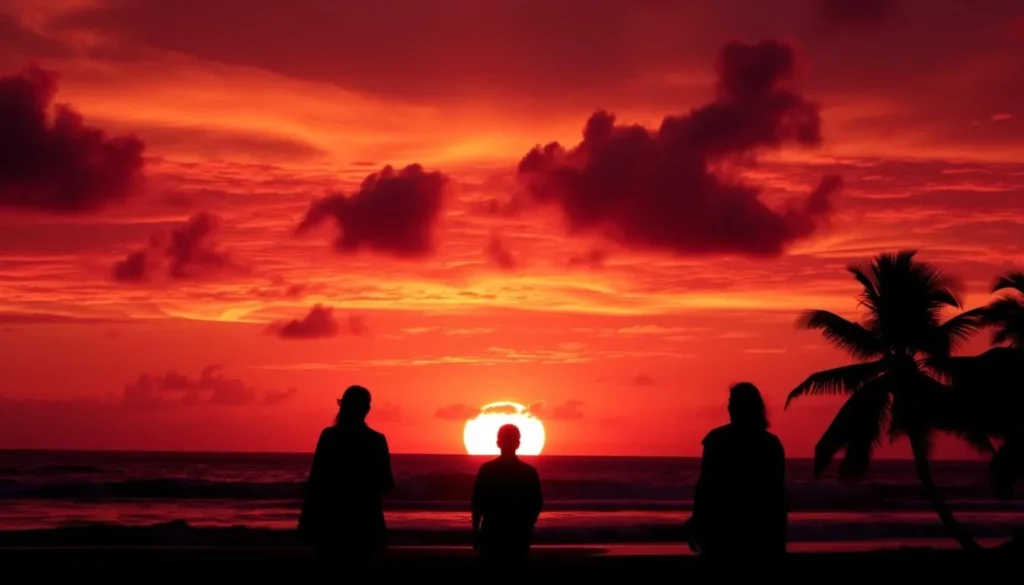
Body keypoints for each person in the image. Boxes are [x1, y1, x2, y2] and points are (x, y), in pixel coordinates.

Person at [684, 382, 788, 561]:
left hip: (727, 530)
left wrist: (697, 520)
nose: (729, 407)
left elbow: (705, 486)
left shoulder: (717, 439)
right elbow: (778, 494)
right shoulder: (771, 444)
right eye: (730, 402)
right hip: (756, 531)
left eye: (733, 403)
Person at [298, 385, 394, 570]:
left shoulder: (329, 437)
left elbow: (315, 483)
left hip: (331, 527)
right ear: (366, 410)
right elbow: (387, 484)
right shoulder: (376, 440)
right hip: (367, 526)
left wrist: (305, 522)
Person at [471, 424, 543, 577]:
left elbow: (477, 504)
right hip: (516, 535)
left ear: (498, 443)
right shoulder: (528, 472)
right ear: (518, 444)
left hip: (493, 533)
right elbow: (536, 504)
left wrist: (476, 532)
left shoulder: (487, 470)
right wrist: (527, 527)